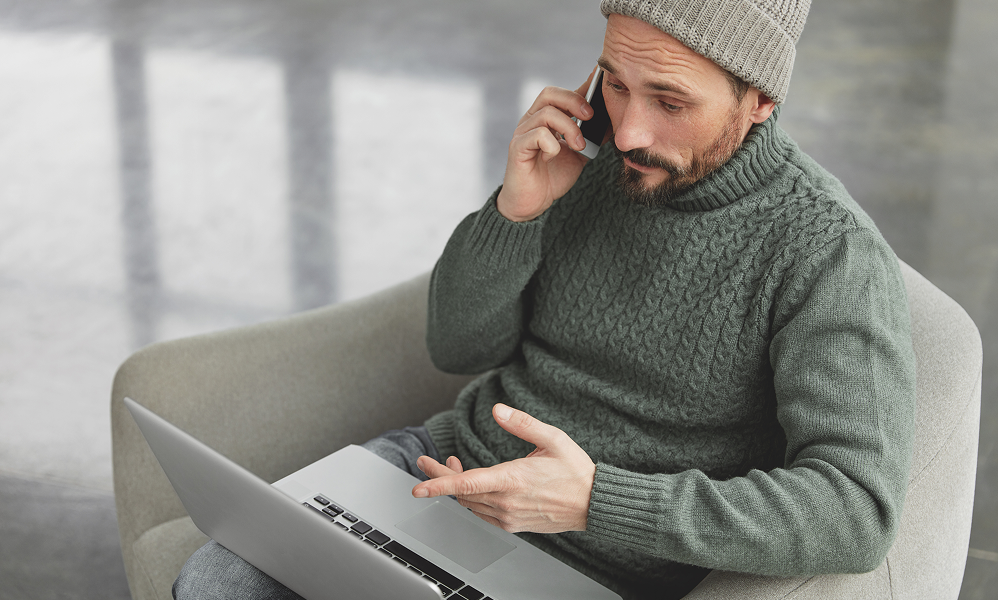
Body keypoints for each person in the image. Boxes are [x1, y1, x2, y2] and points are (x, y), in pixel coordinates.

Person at [174, 1, 917, 599]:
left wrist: (597, 501)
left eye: (670, 100)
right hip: (444, 470)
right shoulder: (585, 160)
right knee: (214, 582)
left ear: (758, 100)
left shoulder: (827, 253)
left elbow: (857, 510)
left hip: (601, 563)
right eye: (615, 83)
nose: (628, 130)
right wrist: (516, 211)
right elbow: (456, 348)